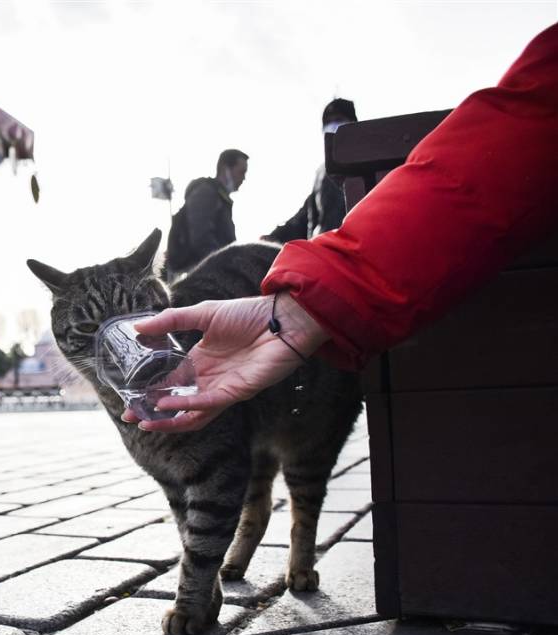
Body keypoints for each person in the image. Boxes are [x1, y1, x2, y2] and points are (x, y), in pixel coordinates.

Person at [127, 22, 558, 433]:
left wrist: (303, 291)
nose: (245, 179)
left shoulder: (314, 175)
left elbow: (299, 221)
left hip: (338, 291)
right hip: (326, 293)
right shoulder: (212, 194)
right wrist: (303, 301)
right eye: (243, 171)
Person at [266, 98, 358, 244]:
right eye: (328, 121)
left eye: (339, 119)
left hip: (356, 246)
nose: (332, 125)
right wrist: (276, 236)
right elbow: (305, 216)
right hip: (324, 248)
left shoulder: (366, 161)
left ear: (353, 124)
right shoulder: (321, 172)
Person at [164, 149, 249, 282]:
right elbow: (201, 237)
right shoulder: (207, 192)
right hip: (197, 272)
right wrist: (225, 266)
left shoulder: (219, 197)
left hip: (204, 270)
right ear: (225, 168)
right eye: (241, 172)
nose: (244, 178)